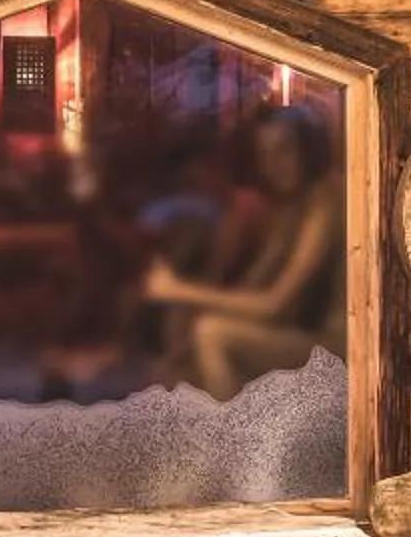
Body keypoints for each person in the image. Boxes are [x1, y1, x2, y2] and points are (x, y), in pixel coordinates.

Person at [142, 104, 345, 401]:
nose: (274, 164)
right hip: (300, 333)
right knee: (181, 356)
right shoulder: (292, 206)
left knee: (213, 333)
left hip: (341, 346)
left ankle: (235, 430)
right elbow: (254, 284)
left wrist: (177, 289)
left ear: (309, 148)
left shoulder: (327, 202)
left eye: (284, 150)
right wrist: (184, 334)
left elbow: (274, 305)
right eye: (265, 154)